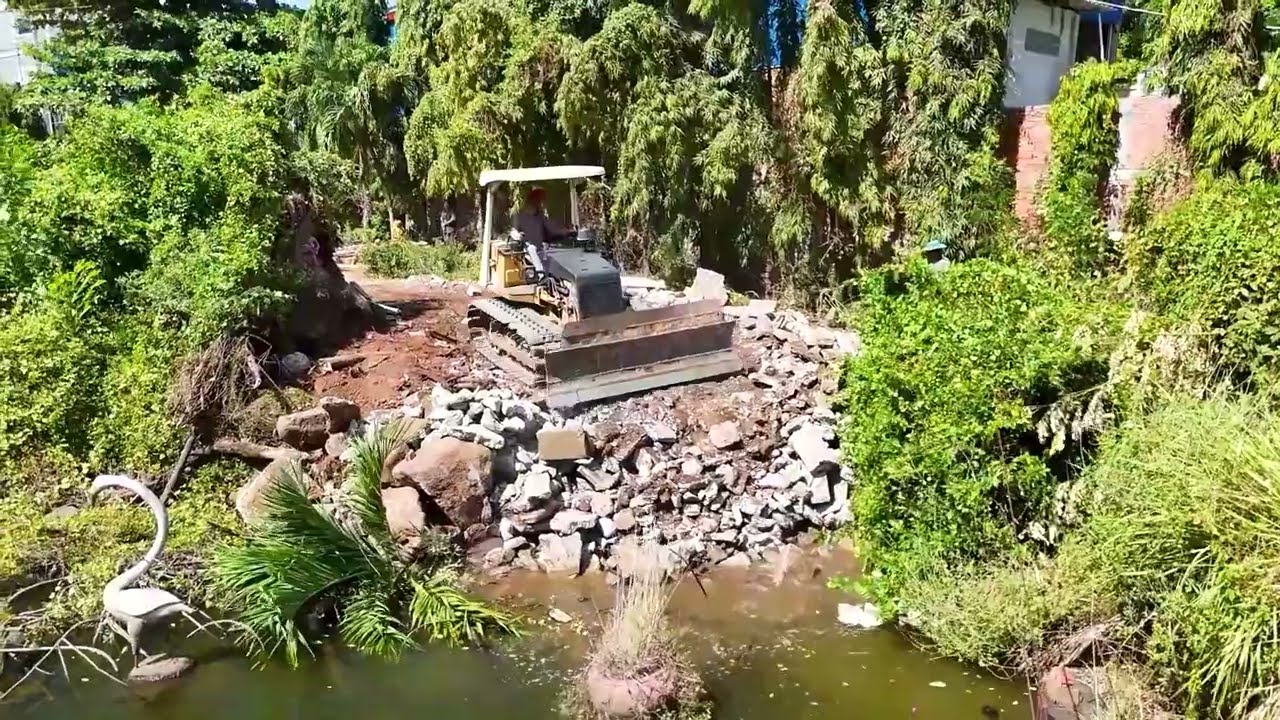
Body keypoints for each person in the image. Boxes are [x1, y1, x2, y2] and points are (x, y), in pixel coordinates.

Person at [513, 186, 571, 252]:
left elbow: (551, 230)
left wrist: (565, 232)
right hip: (527, 254)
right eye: (543, 199)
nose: (544, 203)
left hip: (540, 252)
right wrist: (518, 236)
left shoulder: (540, 215)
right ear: (535, 200)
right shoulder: (519, 216)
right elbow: (513, 231)